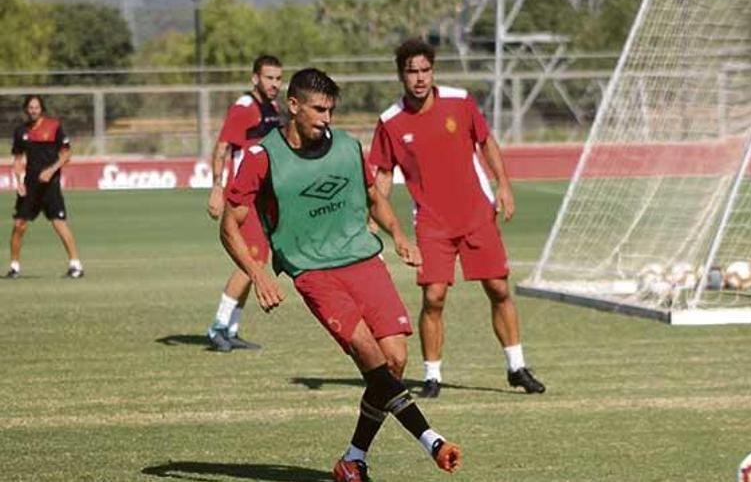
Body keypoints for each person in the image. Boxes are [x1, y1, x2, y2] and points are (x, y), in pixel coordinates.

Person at [221, 68, 462, 482]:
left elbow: (374, 197)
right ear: (292, 107)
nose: (326, 118)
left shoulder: (349, 147)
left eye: (331, 110)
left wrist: (399, 234)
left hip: (364, 261)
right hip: (314, 271)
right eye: (318, 109)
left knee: (396, 360)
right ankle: (432, 440)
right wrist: (258, 273)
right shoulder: (263, 157)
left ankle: (354, 458)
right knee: (370, 356)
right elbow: (228, 225)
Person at [369, 39, 545, 398]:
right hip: (432, 222)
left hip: (476, 213)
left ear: (433, 70)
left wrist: (504, 185)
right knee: (433, 297)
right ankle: (432, 376)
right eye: (411, 71)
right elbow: (383, 174)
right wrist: (375, 217)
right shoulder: (389, 121)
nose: (419, 78)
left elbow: (487, 142)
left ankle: (517, 366)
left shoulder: (460, 102)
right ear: (401, 74)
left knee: (498, 288)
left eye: (425, 70)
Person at [204, 54, 284, 352]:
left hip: (264, 198)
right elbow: (222, 147)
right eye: (269, 78)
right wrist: (216, 186)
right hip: (244, 197)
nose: (275, 84)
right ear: (255, 78)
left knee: (257, 261)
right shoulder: (243, 108)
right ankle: (217, 328)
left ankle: (231, 329)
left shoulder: (273, 110)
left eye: (278, 78)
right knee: (252, 261)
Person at [6, 95, 83, 279]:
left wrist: (51, 170)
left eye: (36, 107)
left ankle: (76, 265)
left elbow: (66, 154)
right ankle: (14, 267)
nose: (33, 110)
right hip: (30, 186)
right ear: (26, 109)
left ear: (42, 109)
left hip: (51, 185)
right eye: (30, 107)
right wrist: (18, 183)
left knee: (59, 223)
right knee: (19, 225)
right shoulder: (20, 131)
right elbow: (17, 160)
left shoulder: (54, 126)